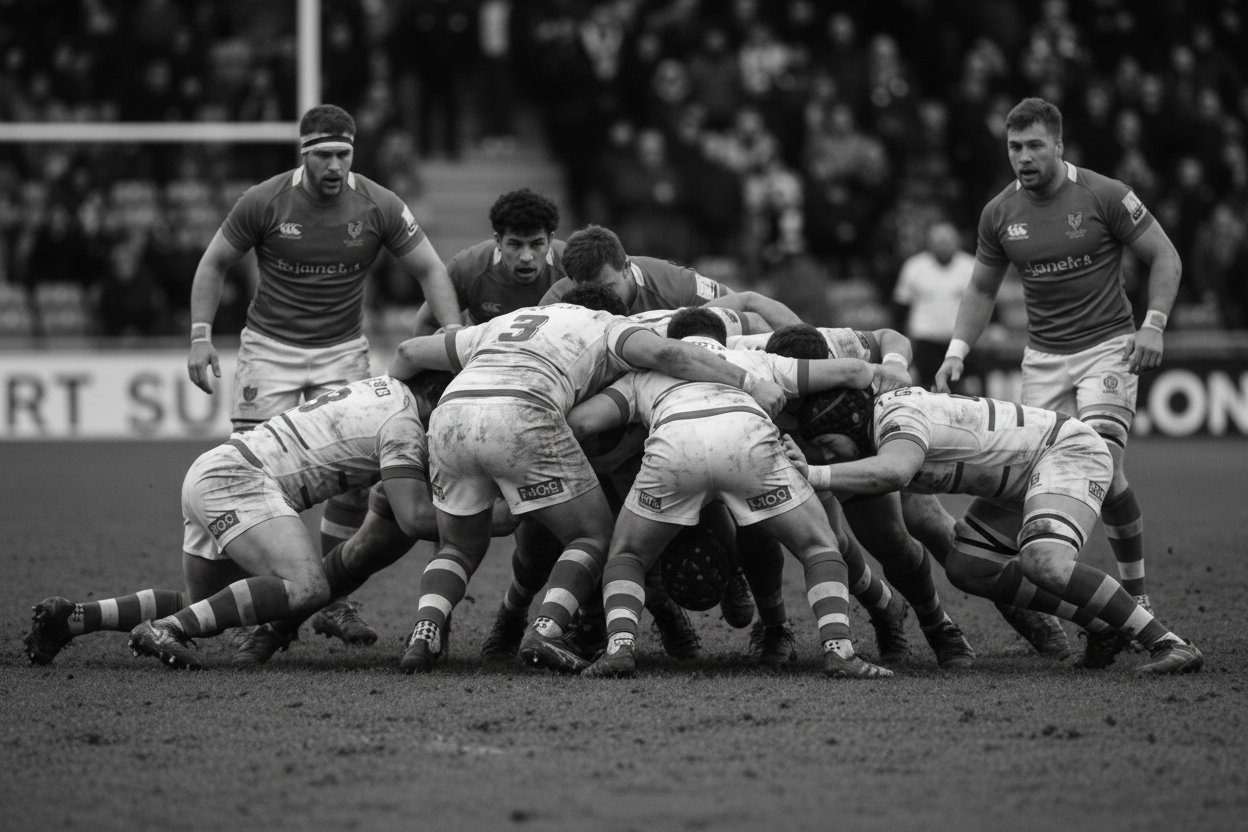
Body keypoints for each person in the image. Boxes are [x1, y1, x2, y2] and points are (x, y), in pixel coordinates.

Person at [386, 284, 787, 674]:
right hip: (523, 412)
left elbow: (407, 351)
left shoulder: (508, 321)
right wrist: (748, 382)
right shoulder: (608, 325)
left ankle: (425, 633)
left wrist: (400, 415)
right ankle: (546, 629)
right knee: (594, 536)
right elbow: (667, 352)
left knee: (457, 546)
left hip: (451, 415)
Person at [184, 104, 464, 645]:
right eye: (324, 155)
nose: (335, 165)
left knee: (356, 480)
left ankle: (334, 602)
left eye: (344, 154)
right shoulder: (264, 200)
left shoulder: (379, 204)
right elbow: (213, 262)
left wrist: (454, 342)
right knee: (253, 479)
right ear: (304, 155)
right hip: (269, 350)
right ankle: (270, 604)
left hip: (340, 350)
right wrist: (200, 337)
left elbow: (430, 267)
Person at [935, 98, 1183, 658]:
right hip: (1043, 360)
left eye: (1034, 146)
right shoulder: (1000, 213)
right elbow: (980, 289)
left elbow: (1165, 257)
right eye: (1014, 148)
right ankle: (1119, 611)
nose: (1022, 158)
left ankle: (1133, 602)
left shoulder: (1106, 195)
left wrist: (1154, 326)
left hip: (1108, 350)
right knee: (1073, 475)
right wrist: (957, 350)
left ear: (1059, 146)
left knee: (1100, 458)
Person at [23, 370, 455, 670]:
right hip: (242, 481)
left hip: (214, 468)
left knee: (206, 604)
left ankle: (74, 617)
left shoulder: (381, 388)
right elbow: (414, 518)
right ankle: (164, 630)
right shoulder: (403, 425)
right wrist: (498, 516)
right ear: (437, 400)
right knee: (308, 587)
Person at [566, 308, 904, 679]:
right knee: (819, 546)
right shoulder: (753, 359)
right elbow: (853, 371)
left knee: (628, 553)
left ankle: (619, 649)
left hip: (676, 449)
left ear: (671, 341)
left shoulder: (643, 374)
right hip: (748, 443)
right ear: (720, 340)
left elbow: (582, 422)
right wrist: (883, 372)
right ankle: (840, 651)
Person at [783, 386, 1203, 675]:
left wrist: (816, 474)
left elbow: (897, 470)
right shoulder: (877, 421)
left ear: (852, 421)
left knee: (1045, 562)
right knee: (969, 567)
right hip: (1021, 478)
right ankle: (1102, 626)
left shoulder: (897, 417)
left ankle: (1169, 642)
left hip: (1065, 450)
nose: (822, 452)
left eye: (827, 443)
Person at [408, 188, 566, 335]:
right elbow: (426, 325)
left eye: (536, 244)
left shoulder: (572, 268)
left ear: (550, 240)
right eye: (515, 244)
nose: (526, 256)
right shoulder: (468, 267)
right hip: (483, 361)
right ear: (498, 241)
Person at [891, 221, 977, 391]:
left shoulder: (970, 266)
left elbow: (983, 301)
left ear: (957, 241)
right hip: (925, 340)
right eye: (939, 242)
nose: (943, 246)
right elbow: (900, 307)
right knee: (925, 388)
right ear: (929, 243)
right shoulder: (914, 266)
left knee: (963, 390)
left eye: (948, 241)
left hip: (959, 340)